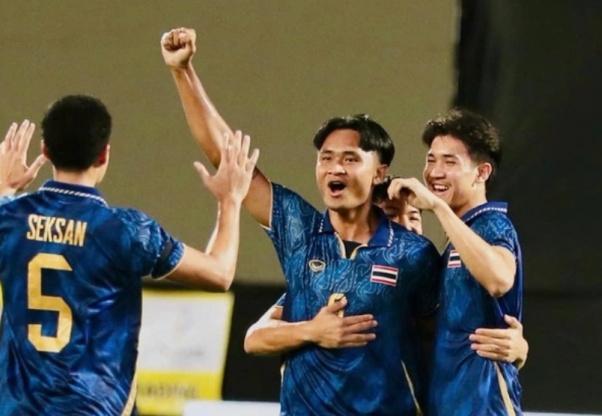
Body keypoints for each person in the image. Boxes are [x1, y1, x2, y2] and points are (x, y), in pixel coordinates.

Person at [162, 28, 443, 416]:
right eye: (326, 158)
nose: (334, 168)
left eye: (349, 159)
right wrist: (183, 71)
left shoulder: (415, 254)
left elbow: (443, 341)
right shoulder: (299, 229)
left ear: (380, 172)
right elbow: (227, 158)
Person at [0, 95, 259, 415]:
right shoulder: (128, 231)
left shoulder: (6, 217)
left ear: (45, 150)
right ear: (104, 154)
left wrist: (2, 189)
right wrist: (230, 201)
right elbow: (219, 273)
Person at [245, 175, 527, 369]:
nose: (407, 225)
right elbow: (255, 337)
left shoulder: (437, 275)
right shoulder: (339, 279)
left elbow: (467, 335)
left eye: (414, 216)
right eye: (392, 215)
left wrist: (517, 349)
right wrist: (312, 331)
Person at [388, 108, 524, 415]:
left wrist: (438, 207)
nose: (435, 172)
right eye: (431, 160)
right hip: (449, 403)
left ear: (482, 172)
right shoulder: (456, 242)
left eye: (450, 162)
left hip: (484, 405)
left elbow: (499, 279)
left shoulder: (492, 224)